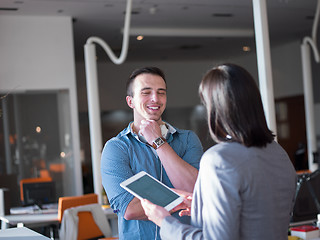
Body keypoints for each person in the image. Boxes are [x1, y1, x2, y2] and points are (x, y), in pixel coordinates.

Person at [141, 63, 297, 240]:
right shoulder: (278, 153)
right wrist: (205, 208)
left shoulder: (219, 160)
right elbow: (256, 214)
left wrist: (165, 222)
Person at [101, 66, 203, 239]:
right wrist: (179, 195)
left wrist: (158, 142)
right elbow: (130, 209)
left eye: (161, 92)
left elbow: (195, 190)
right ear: (130, 101)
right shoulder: (116, 148)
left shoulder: (187, 140)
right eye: (146, 92)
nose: (155, 98)